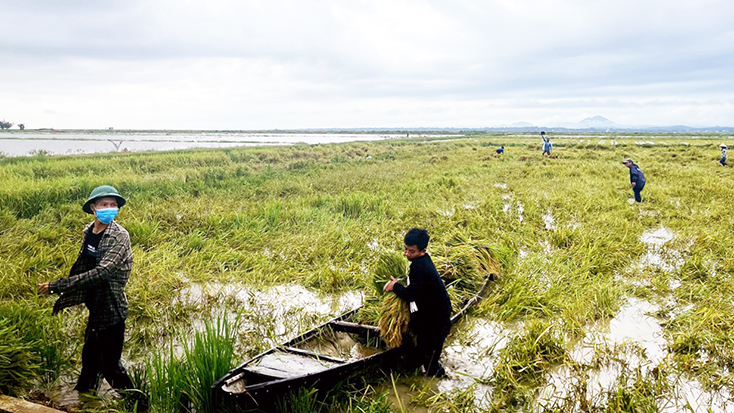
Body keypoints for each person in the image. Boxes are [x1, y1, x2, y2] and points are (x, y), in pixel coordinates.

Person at [38, 185, 141, 405]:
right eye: (104, 204)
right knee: (90, 359)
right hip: (95, 304)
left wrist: (59, 286)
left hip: (112, 307)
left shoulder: (120, 236)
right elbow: (84, 266)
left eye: (113, 205)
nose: (109, 208)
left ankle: (139, 404)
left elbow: (103, 272)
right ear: (93, 208)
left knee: (111, 366)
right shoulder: (89, 232)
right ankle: (84, 401)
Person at [383, 228, 451, 377]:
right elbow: (416, 289)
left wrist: (395, 287)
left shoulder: (420, 267)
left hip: (438, 317)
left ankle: (436, 378)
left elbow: (411, 294)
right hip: (429, 310)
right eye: (405, 249)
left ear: (422, 251)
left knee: (431, 355)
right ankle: (416, 364)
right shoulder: (420, 261)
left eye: (411, 251)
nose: (407, 253)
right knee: (421, 344)